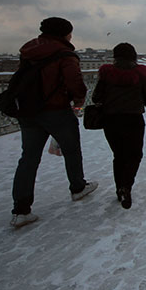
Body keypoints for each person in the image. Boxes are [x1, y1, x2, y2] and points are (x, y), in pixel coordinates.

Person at [10, 17, 97, 228]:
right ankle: (77, 187)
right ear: (64, 34)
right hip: (56, 110)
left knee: (28, 158)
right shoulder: (65, 54)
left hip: (28, 111)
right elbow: (75, 83)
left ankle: (21, 210)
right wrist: (78, 104)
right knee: (71, 149)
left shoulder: (28, 51)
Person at [91, 42, 146, 209]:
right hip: (133, 119)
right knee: (135, 154)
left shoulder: (107, 74)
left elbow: (96, 98)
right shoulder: (139, 74)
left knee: (119, 155)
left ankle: (119, 187)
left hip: (111, 120)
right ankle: (126, 186)